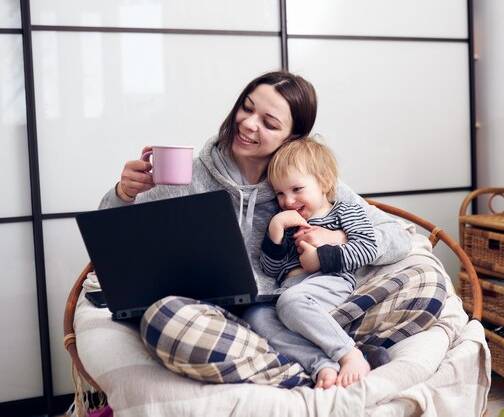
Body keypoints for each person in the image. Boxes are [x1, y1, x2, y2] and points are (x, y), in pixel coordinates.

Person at [98, 70, 413, 385]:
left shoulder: (305, 181)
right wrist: (124, 194)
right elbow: (112, 240)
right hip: (211, 314)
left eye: (269, 123)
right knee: (164, 321)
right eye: (246, 108)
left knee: (425, 280)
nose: (248, 124)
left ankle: (309, 359)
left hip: (294, 302)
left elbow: (397, 236)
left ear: (292, 137)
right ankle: (314, 363)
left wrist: (337, 237)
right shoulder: (187, 176)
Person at [259, 137, 380, 388]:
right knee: (257, 317)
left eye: (296, 189)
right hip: (288, 290)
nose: (288, 201)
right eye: (280, 193)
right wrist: (275, 230)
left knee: (291, 302)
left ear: (324, 182)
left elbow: (368, 247)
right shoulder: (286, 220)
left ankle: (351, 354)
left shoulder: (344, 211)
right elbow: (270, 269)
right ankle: (322, 364)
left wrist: (321, 258)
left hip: (331, 280)